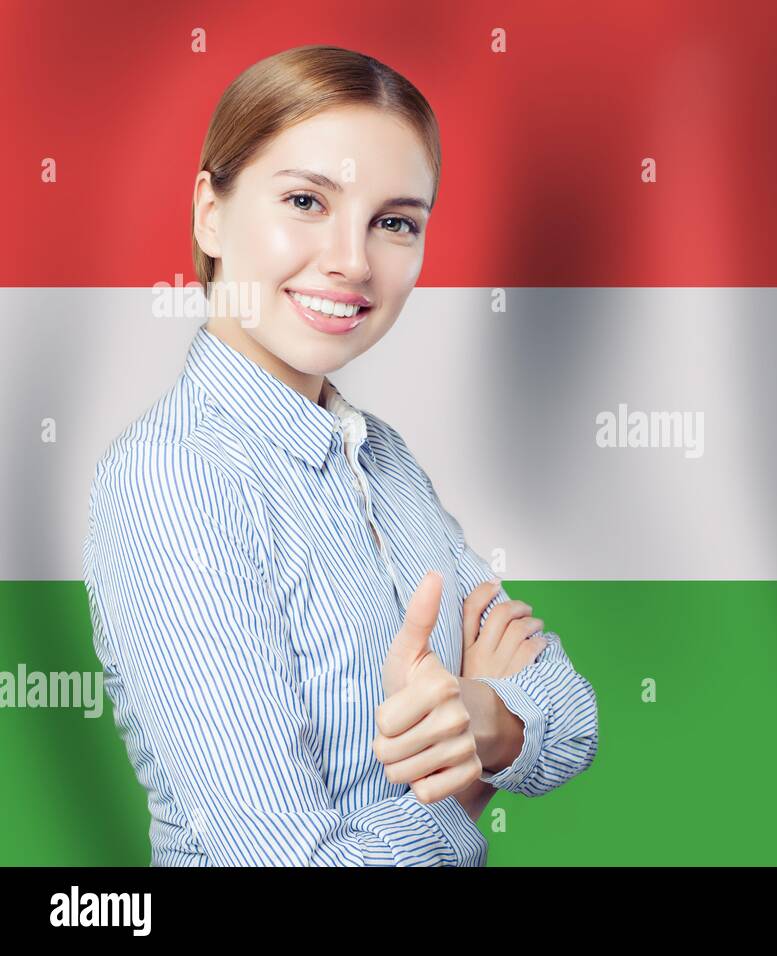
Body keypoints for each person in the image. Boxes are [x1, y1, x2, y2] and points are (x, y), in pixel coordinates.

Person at [81, 45, 599, 866]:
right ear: (210, 214)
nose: (353, 262)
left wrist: (483, 718)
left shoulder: (380, 457)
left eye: (394, 222)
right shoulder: (173, 478)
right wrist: (465, 786)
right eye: (305, 200)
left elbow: (571, 716)